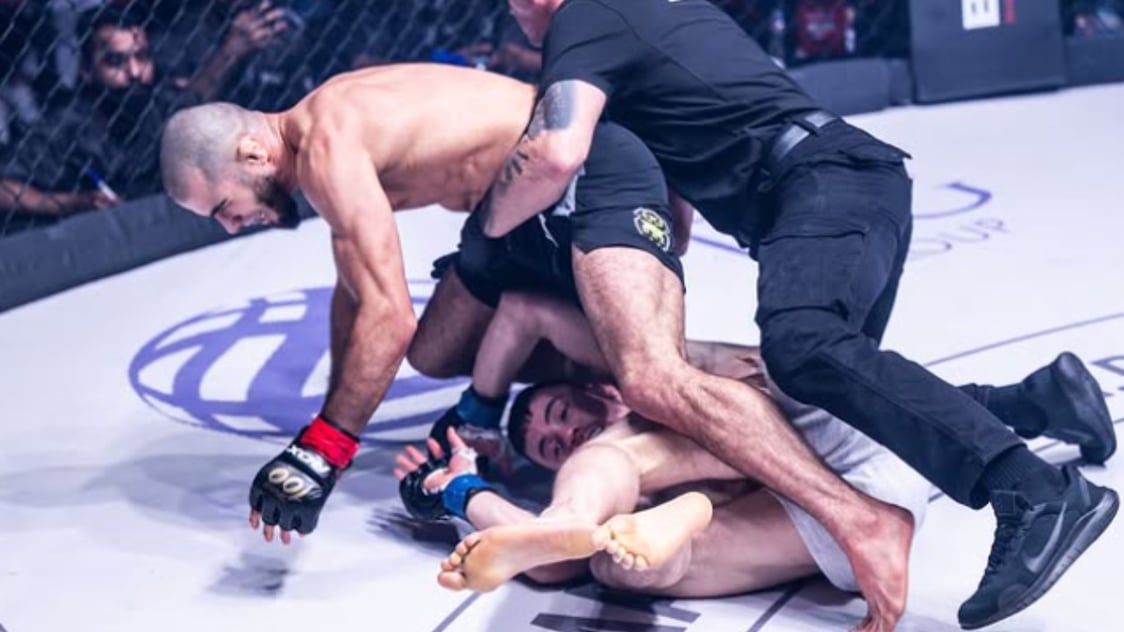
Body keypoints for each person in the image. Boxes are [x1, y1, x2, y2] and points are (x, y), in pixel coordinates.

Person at [470, 1, 1118, 628]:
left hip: (818, 183)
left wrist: (487, 235)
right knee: (835, 399)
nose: (512, 14)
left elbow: (555, 152)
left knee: (801, 344)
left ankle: (1033, 490)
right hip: (845, 178)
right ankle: (1033, 402)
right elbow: (676, 226)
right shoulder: (643, 27)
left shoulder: (585, 15)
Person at [157, 62, 684, 546]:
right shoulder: (317, 131)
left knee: (648, 374)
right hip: (507, 217)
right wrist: (328, 419)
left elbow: (389, 319)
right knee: (435, 351)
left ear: (253, 154)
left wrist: (323, 450)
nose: (231, 225)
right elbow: (354, 293)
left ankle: (635, 380)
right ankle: (566, 369)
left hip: (577, 172)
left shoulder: (326, 148)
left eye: (224, 206)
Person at [395, 287, 1110, 607]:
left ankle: (571, 522)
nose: (560, 434)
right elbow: (552, 565)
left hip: (816, 428)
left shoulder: (645, 376)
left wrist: (469, 456)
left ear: (593, 387)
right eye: (549, 447)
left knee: (614, 472)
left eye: (556, 413)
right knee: (621, 560)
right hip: (862, 490)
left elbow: (527, 309)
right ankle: (1032, 401)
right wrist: (458, 485)